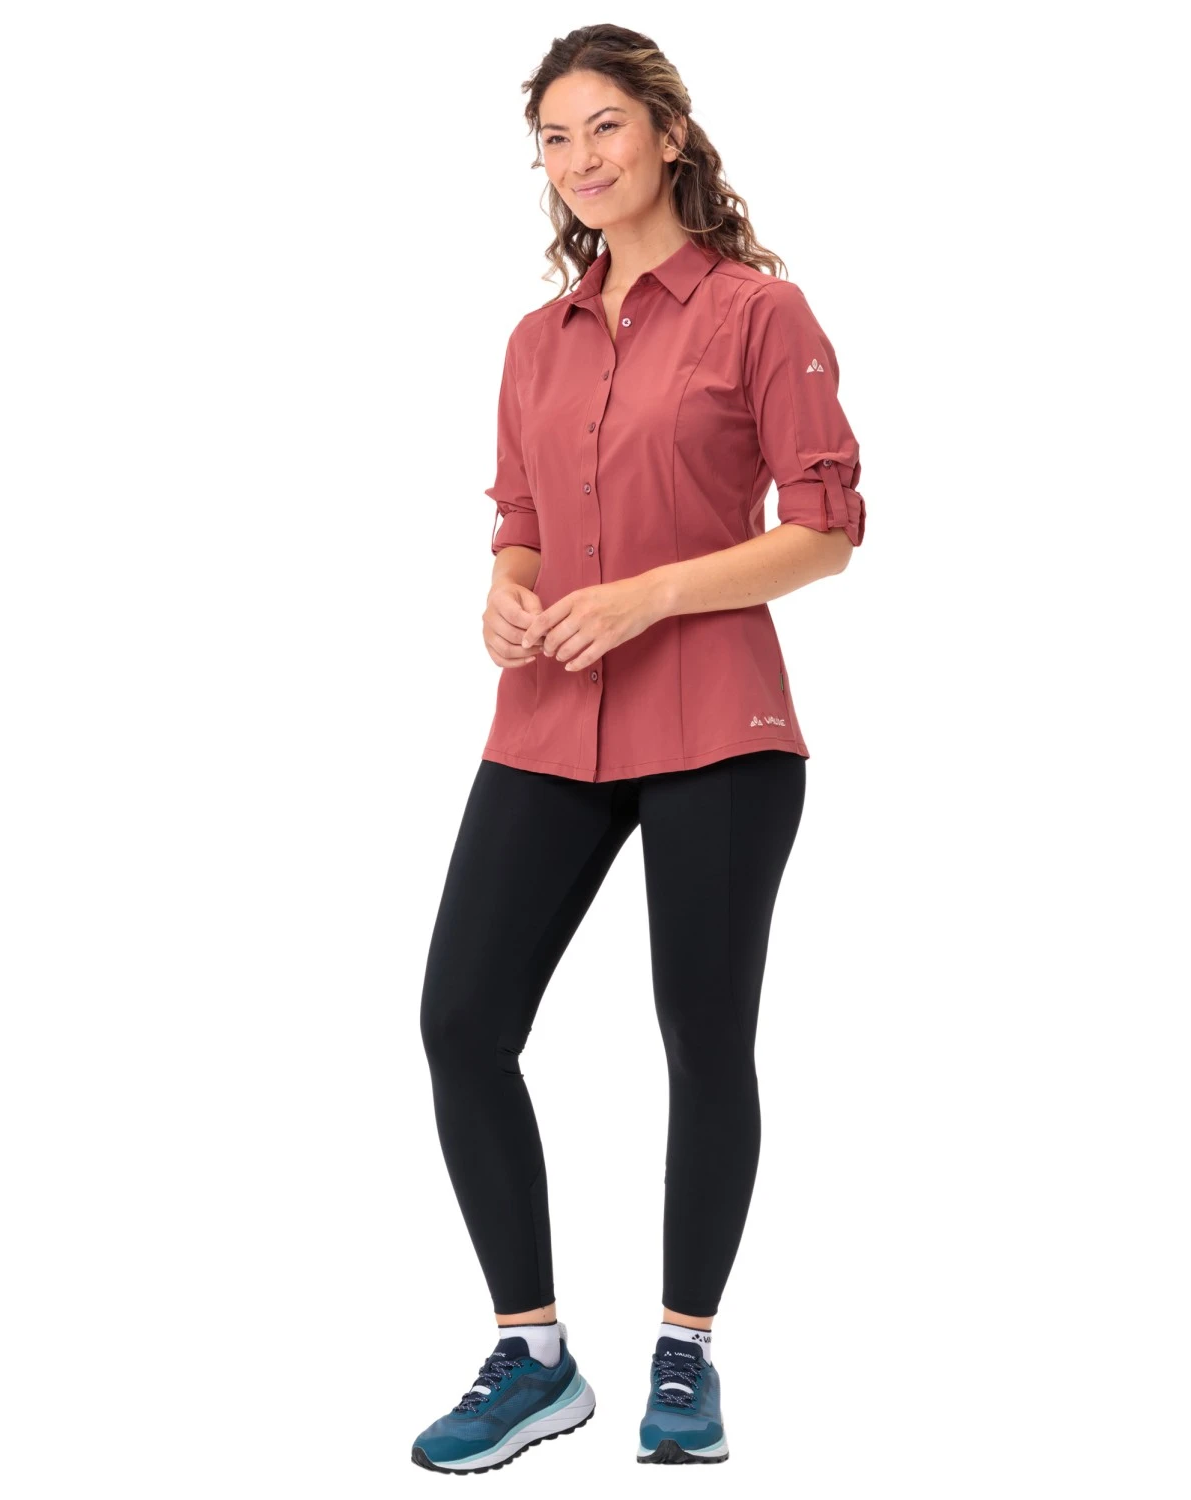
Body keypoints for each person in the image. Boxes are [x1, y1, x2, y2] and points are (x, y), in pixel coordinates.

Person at [411, 24, 867, 1474]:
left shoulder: (758, 313)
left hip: (718, 723)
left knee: (702, 1037)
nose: (580, 159)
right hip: (550, 714)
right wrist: (506, 589)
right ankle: (534, 1355)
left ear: (670, 134)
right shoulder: (532, 341)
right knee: (461, 1019)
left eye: (605, 126)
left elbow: (826, 529)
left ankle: (685, 1352)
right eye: (555, 138)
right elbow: (522, 517)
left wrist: (653, 595)